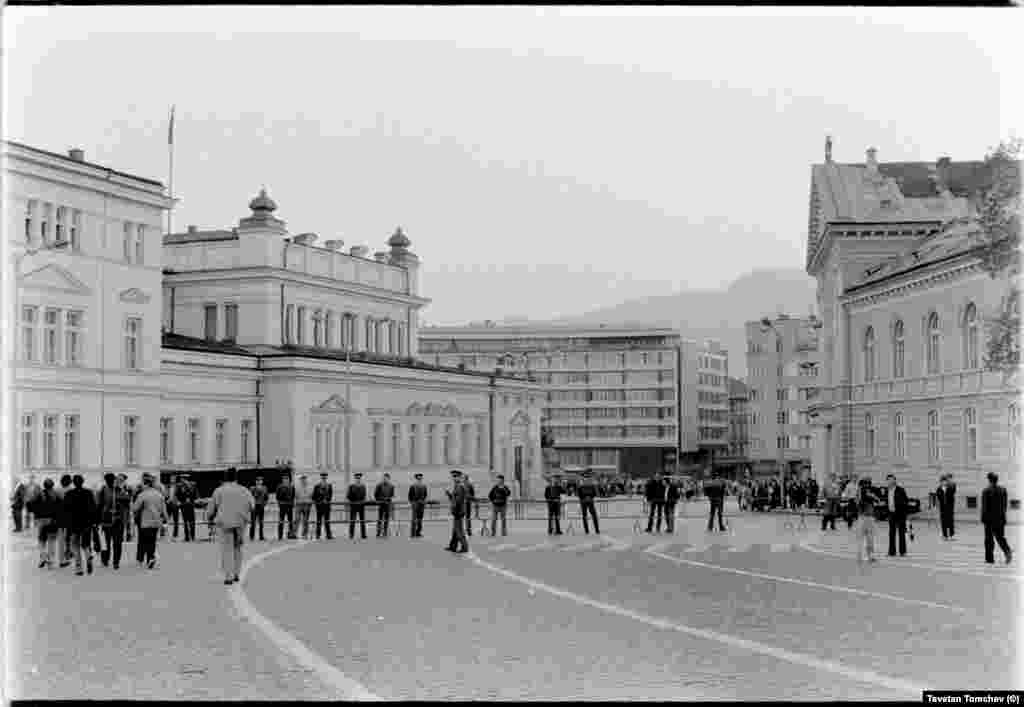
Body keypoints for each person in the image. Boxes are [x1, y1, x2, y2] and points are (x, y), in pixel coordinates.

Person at [207, 467, 255, 585]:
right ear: (236, 478)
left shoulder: (219, 491)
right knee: (238, 548)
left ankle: (228, 576)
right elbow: (252, 505)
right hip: (240, 523)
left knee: (226, 549)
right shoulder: (245, 490)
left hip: (224, 523)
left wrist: (210, 519)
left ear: (225, 478)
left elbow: (211, 509)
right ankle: (236, 574)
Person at [132, 473, 168, 569]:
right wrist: (165, 521)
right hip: (156, 522)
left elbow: (135, 508)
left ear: (146, 484)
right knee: (152, 541)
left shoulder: (143, 495)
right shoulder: (159, 495)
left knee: (144, 540)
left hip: (145, 522)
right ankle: (151, 558)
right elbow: (164, 511)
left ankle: (147, 558)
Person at [65, 474, 97, 576]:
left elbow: (66, 510)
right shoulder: (88, 493)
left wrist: (67, 524)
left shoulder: (69, 494)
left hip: (74, 524)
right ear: (82, 482)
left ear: (73, 483)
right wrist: (93, 522)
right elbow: (93, 508)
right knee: (86, 544)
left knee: (75, 545)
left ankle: (78, 568)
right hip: (86, 523)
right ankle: (88, 557)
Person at [981, 472, 1012, 565]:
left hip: (989, 520)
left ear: (989, 480)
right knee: (1000, 537)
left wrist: (983, 518)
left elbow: (985, 507)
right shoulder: (1003, 490)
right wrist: (1003, 517)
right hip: (1000, 518)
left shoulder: (986, 490)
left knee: (989, 539)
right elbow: (1005, 505)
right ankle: (1007, 551)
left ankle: (989, 559)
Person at [30, 479, 61, 568]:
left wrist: (36, 515)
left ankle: (43, 555)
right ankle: (50, 561)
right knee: (52, 541)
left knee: (41, 540)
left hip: (41, 520)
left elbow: (31, 504)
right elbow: (60, 507)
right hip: (53, 520)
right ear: (52, 485)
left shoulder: (39, 494)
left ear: (44, 485)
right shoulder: (56, 494)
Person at [97, 473, 125, 569]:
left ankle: (115, 561)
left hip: (116, 519)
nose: (110, 482)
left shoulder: (119, 489)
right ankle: (106, 560)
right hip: (107, 520)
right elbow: (99, 505)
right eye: (108, 480)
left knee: (116, 542)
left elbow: (126, 501)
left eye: (111, 480)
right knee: (107, 542)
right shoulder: (103, 490)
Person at [854, 477, 880, 564]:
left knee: (862, 538)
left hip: (862, 517)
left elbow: (857, 502)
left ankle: (860, 556)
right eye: (867, 483)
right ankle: (870, 556)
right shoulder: (864, 492)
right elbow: (875, 499)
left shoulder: (858, 491)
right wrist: (876, 498)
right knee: (869, 537)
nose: (868, 485)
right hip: (867, 516)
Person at [884, 473, 909, 557]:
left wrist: (904, 513)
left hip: (900, 514)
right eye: (888, 480)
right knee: (891, 533)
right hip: (891, 514)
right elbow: (886, 502)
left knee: (901, 533)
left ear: (895, 480)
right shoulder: (887, 490)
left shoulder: (900, 490)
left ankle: (903, 552)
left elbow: (906, 502)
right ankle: (892, 552)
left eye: (891, 479)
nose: (890, 481)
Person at [445, 470, 469, 553]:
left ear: (459, 477)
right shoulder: (457, 486)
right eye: (453, 476)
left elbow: (459, 500)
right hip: (457, 510)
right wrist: (449, 495)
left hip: (459, 510)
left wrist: (454, 508)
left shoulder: (460, 486)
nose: (454, 478)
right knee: (455, 530)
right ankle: (453, 546)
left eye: (456, 476)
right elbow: (455, 498)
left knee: (459, 530)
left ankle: (464, 547)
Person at [55, 474, 73, 568]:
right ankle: (68, 553)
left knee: (61, 540)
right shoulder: (71, 490)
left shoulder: (57, 490)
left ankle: (62, 559)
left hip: (59, 519)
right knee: (68, 538)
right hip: (69, 518)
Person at [176, 474, 197, 542]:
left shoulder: (193, 485)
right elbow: (177, 495)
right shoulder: (179, 486)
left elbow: (196, 494)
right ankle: (187, 537)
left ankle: (192, 536)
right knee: (185, 521)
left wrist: (194, 500)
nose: (181, 480)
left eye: (182, 478)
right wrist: (178, 501)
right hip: (183, 505)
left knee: (192, 521)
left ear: (184, 479)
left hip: (191, 505)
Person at [347, 472, 368, 540]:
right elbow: (348, 496)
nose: (358, 479)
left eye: (359, 478)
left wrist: (362, 501)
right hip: (354, 505)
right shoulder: (351, 486)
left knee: (362, 521)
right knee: (352, 520)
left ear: (360, 479)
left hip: (361, 505)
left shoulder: (363, 486)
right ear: (355, 479)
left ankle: (363, 535)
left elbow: (364, 495)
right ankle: (351, 534)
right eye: (357, 478)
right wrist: (353, 500)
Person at [936, 474, 956, 540]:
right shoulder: (939, 489)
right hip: (942, 508)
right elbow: (938, 498)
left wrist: (951, 481)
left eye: (945, 481)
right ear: (941, 482)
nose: (944, 482)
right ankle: (944, 535)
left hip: (949, 508)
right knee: (943, 521)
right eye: (942, 481)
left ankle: (951, 535)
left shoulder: (950, 488)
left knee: (950, 521)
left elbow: (954, 489)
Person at [374, 473, 395, 538]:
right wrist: (380, 500)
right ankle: (378, 532)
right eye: (384, 478)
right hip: (381, 504)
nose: (385, 479)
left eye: (386, 478)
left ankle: (385, 532)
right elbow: (375, 495)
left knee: (386, 519)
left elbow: (392, 495)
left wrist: (389, 500)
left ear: (388, 479)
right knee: (379, 519)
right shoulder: (379, 485)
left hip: (387, 505)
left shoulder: (391, 486)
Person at [408, 472, 428, 538]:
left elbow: (425, 495)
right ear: (416, 478)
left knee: (420, 519)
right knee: (414, 519)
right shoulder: (413, 486)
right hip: (415, 503)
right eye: (418, 478)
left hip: (421, 504)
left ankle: (418, 532)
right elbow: (410, 496)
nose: (419, 479)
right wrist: (412, 503)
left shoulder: (424, 486)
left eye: (420, 478)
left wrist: (423, 502)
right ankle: (413, 533)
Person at [249, 476, 269, 542]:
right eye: (258, 480)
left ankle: (261, 536)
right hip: (254, 506)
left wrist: (264, 504)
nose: (259, 481)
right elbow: (250, 497)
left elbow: (266, 497)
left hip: (261, 506)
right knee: (253, 522)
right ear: (255, 481)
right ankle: (252, 536)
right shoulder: (252, 488)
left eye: (260, 480)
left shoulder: (265, 488)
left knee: (261, 522)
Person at [165, 476, 180, 540]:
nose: (172, 480)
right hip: (168, 504)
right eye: (171, 478)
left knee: (176, 520)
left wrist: (178, 501)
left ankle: (175, 534)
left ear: (175, 479)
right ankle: (164, 533)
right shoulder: (167, 486)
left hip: (175, 505)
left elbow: (180, 495)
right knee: (165, 520)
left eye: (173, 479)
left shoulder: (178, 486)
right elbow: (165, 494)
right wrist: (166, 500)